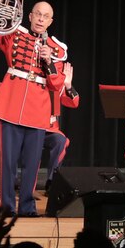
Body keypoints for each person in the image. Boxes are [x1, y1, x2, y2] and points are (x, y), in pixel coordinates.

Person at [0, 0, 68, 216]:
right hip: (10, 103)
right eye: (37, 13)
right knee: (8, 162)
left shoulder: (57, 49)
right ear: (29, 15)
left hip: (37, 108)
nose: (40, 18)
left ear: (50, 21)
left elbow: (56, 84)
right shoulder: (14, 34)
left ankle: (27, 206)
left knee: (32, 163)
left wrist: (49, 61)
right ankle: (7, 206)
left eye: (45, 16)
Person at [16, 61, 79, 193]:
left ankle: (52, 182)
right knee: (33, 147)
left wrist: (68, 85)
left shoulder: (56, 86)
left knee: (60, 141)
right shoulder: (30, 79)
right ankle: (27, 187)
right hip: (29, 128)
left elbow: (74, 103)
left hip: (49, 131)